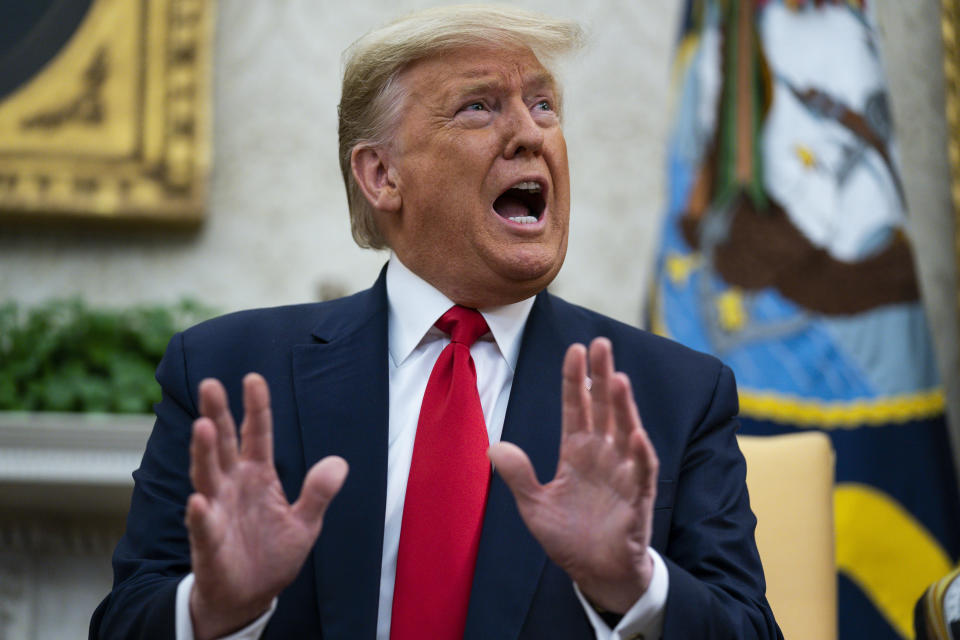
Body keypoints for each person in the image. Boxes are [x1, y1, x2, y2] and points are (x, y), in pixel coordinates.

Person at [90, 6, 781, 639]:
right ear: (382, 175)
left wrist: (635, 588)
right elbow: (123, 624)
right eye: (479, 108)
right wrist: (213, 608)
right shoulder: (231, 374)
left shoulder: (674, 394)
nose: (529, 133)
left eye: (543, 104)